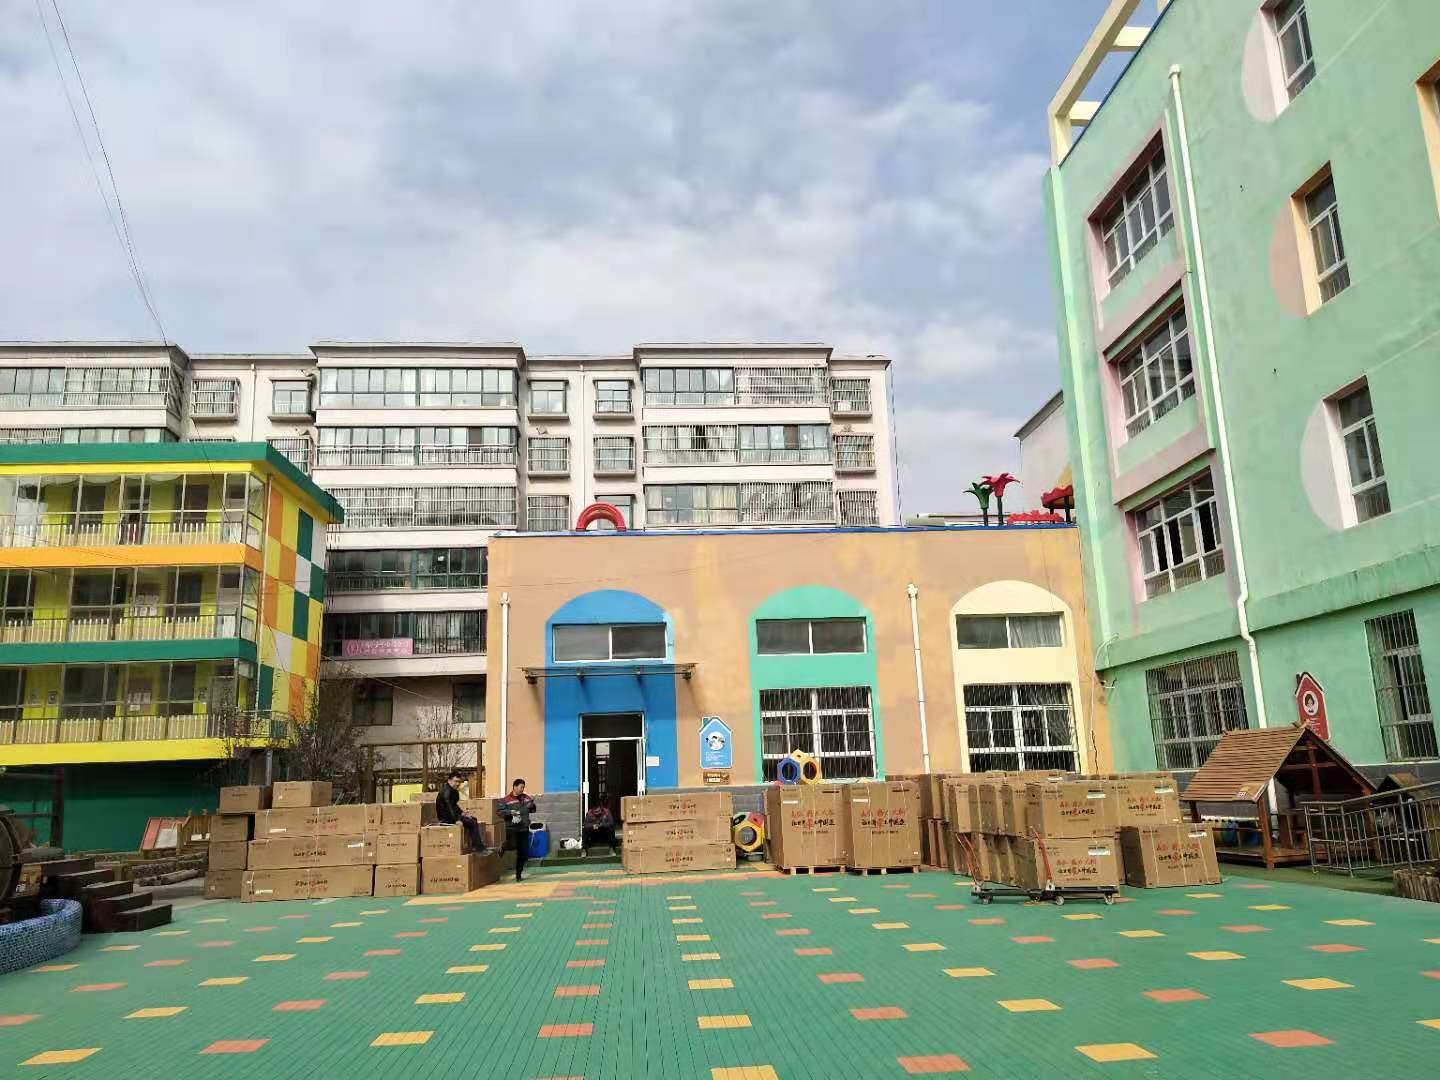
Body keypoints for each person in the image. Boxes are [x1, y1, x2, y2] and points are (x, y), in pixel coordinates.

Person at [435, 770, 486, 854]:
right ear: (449, 780)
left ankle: (474, 844)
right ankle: (477, 847)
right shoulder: (446, 791)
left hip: (451, 815)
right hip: (446, 818)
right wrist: (456, 820)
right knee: (472, 822)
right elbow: (449, 807)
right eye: (456, 781)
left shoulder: (453, 790)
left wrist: (462, 813)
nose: (458, 784)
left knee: (473, 819)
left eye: (459, 782)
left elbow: (454, 805)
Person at [499, 778, 537, 883]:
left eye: (523, 787)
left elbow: (533, 809)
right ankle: (504, 846)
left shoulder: (526, 798)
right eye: (521, 787)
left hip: (523, 828)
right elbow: (500, 812)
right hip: (512, 828)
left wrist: (532, 806)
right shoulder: (506, 800)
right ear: (515, 787)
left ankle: (518, 874)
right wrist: (510, 812)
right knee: (513, 845)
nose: (522, 789)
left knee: (523, 852)